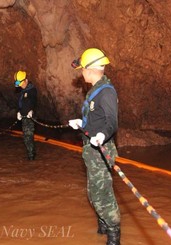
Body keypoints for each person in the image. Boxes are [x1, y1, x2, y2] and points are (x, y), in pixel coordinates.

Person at [68, 48, 121, 245]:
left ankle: (114, 235)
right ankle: (103, 224)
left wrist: (102, 135)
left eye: (83, 69)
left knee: (103, 194)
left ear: (90, 70)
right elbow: (96, 118)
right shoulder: (95, 89)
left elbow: (111, 122)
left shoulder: (106, 92)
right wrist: (82, 124)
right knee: (93, 192)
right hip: (92, 150)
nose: (81, 73)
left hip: (102, 150)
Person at [14, 70, 37, 161]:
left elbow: (34, 102)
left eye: (22, 84)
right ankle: (31, 153)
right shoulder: (23, 91)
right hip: (23, 117)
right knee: (26, 137)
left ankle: (31, 157)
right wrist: (18, 111)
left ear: (26, 80)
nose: (21, 86)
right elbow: (20, 103)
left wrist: (32, 111)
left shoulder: (32, 90)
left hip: (30, 117)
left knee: (28, 136)